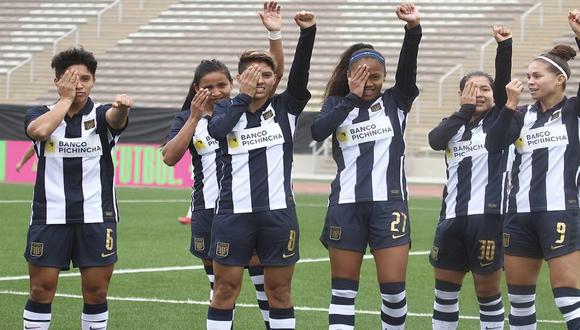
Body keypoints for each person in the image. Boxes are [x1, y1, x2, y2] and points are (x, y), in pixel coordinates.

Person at [162, 2, 285, 328]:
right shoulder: (188, 119)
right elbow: (169, 157)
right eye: (208, 86)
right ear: (196, 89)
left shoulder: (244, 109)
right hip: (206, 212)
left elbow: (276, 76)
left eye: (221, 85)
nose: (216, 92)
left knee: (263, 286)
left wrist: (274, 33)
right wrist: (193, 116)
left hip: (248, 208)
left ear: (233, 84)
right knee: (220, 289)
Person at [311, 3, 421, 329]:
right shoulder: (337, 104)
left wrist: (412, 29)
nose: (369, 82)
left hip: (390, 204)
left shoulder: (396, 101)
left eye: (376, 76)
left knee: (394, 292)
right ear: (349, 76)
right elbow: (317, 131)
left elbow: (408, 70)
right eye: (362, 76)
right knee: (343, 293)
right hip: (345, 205)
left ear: (385, 78)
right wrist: (351, 97)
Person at [206, 9, 316, 330]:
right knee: (225, 290)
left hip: (278, 214)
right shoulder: (226, 107)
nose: (260, 80)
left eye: (267, 75)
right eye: (253, 75)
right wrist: (243, 95)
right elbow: (218, 130)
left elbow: (300, 73)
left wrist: (305, 32)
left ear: (274, 80)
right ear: (241, 79)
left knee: (279, 291)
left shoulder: (286, 108)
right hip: (232, 214)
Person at [22, 47, 132, 330]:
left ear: (94, 80)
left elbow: (115, 120)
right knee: (40, 291)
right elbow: (40, 132)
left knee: (96, 293)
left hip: (97, 216)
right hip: (49, 216)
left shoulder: (102, 113)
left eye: (85, 78)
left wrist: (121, 107)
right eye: (71, 79)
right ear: (58, 81)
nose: (79, 84)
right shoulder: (39, 113)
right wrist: (66, 98)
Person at [485, 10, 580, 329]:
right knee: (521, 304)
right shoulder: (520, 114)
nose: (530, 82)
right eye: (528, 76)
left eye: (537, 76)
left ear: (560, 80)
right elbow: (494, 143)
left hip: (559, 213)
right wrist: (509, 102)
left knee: (569, 300)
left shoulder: (572, 112)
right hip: (518, 217)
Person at [427, 26, 512, 330]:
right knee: (444, 295)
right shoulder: (452, 125)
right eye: (471, 88)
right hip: (450, 219)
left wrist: (504, 47)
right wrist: (463, 110)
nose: (479, 93)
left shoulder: (501, 121)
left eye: (485, 89)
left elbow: (503, 86)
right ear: (461, 93)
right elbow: (436, 140)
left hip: (488, 218)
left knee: (487, 294)